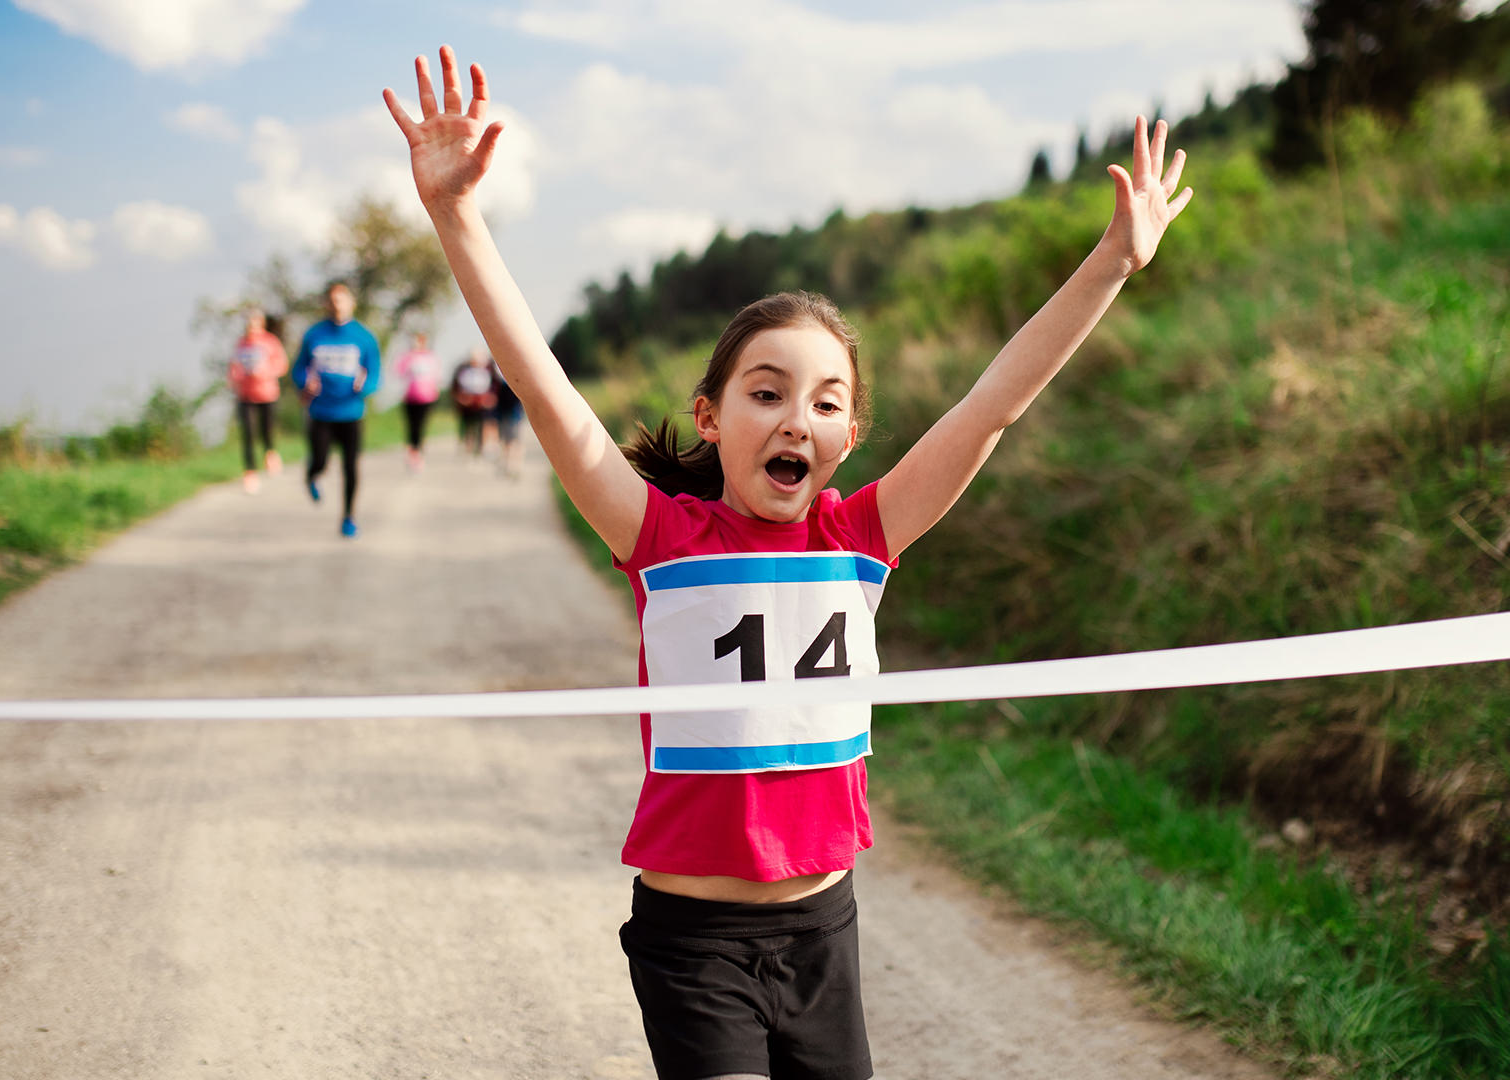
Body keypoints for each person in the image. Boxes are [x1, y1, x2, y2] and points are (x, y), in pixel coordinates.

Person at [385, 47, 1190, 1080]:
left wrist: (1111, 264)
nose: (794, 417)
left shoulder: (861, 538)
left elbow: (993, 405)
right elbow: (544, 393)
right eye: (766, 392)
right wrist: (456, 215)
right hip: (693, 942)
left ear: (848, 434)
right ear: (713, 418)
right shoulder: (661, 539)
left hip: (824, 930)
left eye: (823, 401)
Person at [292, 281, 382, 538]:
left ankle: (348, 517)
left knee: (350, 467)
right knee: (320, 459)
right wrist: (304, 382)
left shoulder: (364, 337)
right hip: (321, 411)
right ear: (326, 304)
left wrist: (365, 386)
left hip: (351, 412)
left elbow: (375, 373)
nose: (336, 305)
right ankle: (312, 476)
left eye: (341, 299)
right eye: (332, 300)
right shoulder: (314, 335)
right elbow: (298, 368)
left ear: (351, 302)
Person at [227, 306, 288, 493]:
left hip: (267, 394)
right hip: (246, 395)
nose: (251, 325)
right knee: (248, 434)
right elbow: (234, 367)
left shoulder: (270, 342)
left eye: (254, 321)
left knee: (266, 430)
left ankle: (270, 452)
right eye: (248, 322)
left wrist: (265, 373)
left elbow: (282, 365)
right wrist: (235, 377)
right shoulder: (241, 344)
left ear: (261, 323)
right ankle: (250, 472)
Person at [395, 331, 443, 471]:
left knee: (421, 426)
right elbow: (399, 372)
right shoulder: (407, 357)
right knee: (411, 426)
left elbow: (437, 376)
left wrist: (435, 390)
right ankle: (412, 452)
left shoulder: (431, 357)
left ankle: (418, 452)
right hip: (410, 397)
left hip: (427, 397)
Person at [449, 349, 498, 458]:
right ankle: (468, 446)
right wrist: (461, 398)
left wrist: (490, 398)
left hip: (482, 403)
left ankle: (481, 448)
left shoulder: (489, 370)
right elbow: (455, 387)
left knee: (484, 425)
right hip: (467, 404)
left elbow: (494, 387)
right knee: (468, 425)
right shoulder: (463, 370)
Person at [490, 359, 525, 478]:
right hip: (502, 409)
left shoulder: (518, 367)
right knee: (505, 439)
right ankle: (507, 463)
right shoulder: (495, 369)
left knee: (514, 439)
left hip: (514, 410)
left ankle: (514, 465)